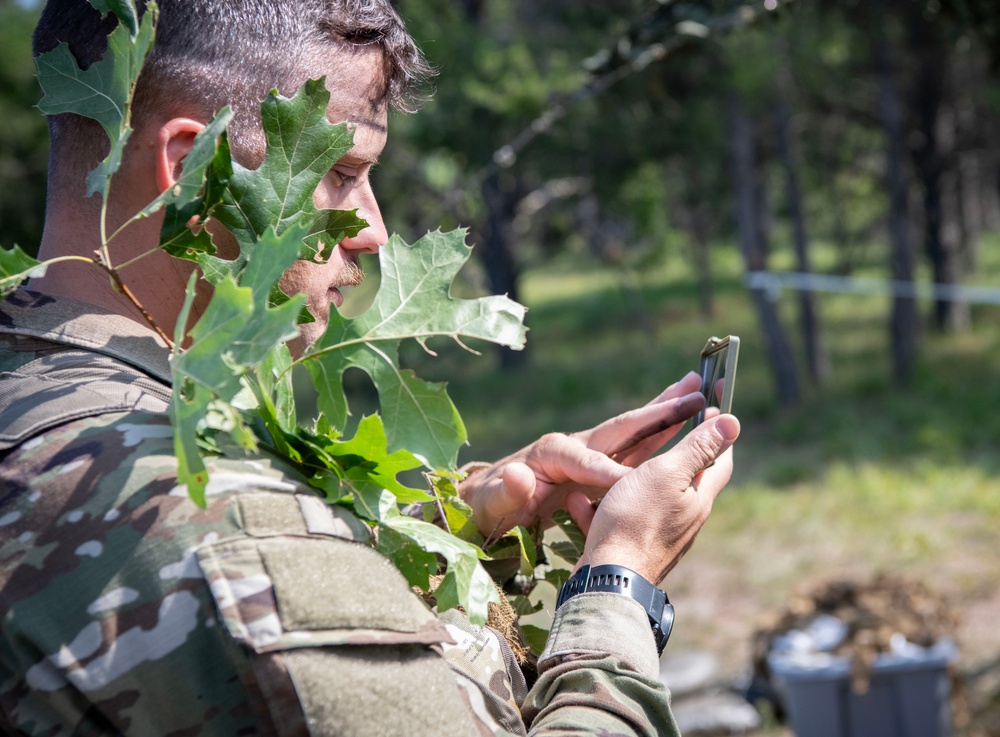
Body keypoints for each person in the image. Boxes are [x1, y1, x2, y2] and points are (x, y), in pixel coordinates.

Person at [0, 1, 741, 735]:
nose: (375, 231)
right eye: (344, 171)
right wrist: (619, 580)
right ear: (198, 170)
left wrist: (453, 530)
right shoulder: (222, 526)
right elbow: (237, 578)